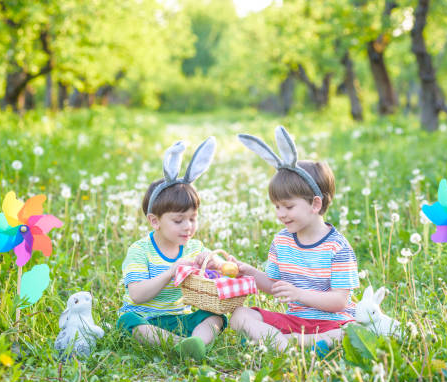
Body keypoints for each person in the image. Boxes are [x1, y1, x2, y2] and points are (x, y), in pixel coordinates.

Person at [230, 126, 359, 354]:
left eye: (288, 206)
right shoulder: (282, 241)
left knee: (348, 333)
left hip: (331, 322)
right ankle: (288, 342)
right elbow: (274, 286)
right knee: (240, 315)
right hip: (294, 321)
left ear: (315, 204)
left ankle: (275, 342)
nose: (280, 214)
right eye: (277, 206)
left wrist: (299, 294)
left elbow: (339, 301)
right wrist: (247, 271)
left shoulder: (337, 247)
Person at [116, 138, 226, 361]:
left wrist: (216, 266)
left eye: (193, 219)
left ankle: (196, 342)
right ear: (155, 221)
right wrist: (170, 272)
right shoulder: (140, 250)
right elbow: (136, 295)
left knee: (216, 316)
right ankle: (179, 345)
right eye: (178, 220)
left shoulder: (194, 248)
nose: (188, 226)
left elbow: (213, 283)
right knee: (128, 322)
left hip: (180, 318)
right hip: (147, 319)